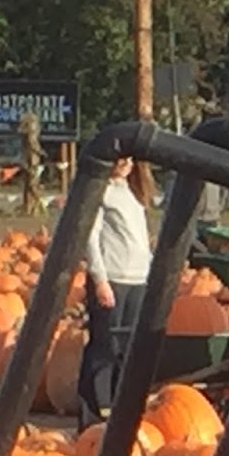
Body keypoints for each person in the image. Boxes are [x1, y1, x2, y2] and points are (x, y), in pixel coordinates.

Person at [77, 156, 154, 430]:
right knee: (104, 346)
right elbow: (91, 237)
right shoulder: (102, 191)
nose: (125, 164)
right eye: (120, 159)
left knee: (127, 349)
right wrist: (100, 279)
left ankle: (120, 413)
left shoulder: (134, 193)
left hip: (137, 279)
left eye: (130, 159)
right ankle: (92, 416)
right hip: (113, 278)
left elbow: (139, 238)